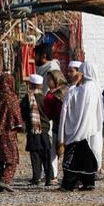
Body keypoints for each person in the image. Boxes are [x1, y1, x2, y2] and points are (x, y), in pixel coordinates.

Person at [57, 60, 104, 192]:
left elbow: (68, 107)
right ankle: (88, 183)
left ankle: (69, 184)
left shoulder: (77, 90)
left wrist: (73, 85)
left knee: (74, 160)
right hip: (92, 130)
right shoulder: (96, 88)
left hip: (76, 131)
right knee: (87, 158)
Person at [0, 73, 24, 192]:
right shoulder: (11, 97)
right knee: (12, 158)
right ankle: (5, 180)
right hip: (8, 133)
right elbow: (16, 115)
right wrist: (20, 126)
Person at [35, 42, 62, 180]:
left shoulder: (51, 69)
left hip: (49, 111)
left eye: (37, 55)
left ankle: (52, 174)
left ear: (43, 55)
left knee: (50, 144)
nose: (35, 58)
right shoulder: (43, 68)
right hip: (42, 110)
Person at [20, 73, 53, 186]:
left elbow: (22, 112)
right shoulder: (45, 98)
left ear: (31, 85)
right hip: (44, 130)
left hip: (33, 130)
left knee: (35, 154)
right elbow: (50, 114)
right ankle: (49, 178)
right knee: (46, 154)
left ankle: (36, 177)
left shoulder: (28, 98)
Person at [43, 69, 68, 181]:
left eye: (50, 80)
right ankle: (53, 174)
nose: (48, 82)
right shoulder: (65, 91)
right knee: (54, 150)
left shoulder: (56, 93)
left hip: (64, 125)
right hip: (58, 125)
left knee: (61, 150)